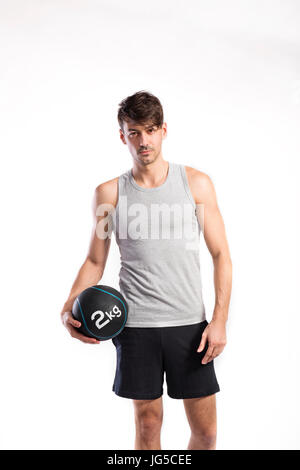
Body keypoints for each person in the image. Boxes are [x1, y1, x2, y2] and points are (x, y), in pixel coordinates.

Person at [60, 90, 232, 450]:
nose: (144, 141)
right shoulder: (110, 194)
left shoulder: (196, 184)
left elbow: (221, 255)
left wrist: (219, 321)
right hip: (136, 326)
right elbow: (95, 260)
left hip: (190, 326)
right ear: (122, 135)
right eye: (135, 132)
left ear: (164, 130)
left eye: (151, 130)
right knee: (148, 426)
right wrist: (68, 306)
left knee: (207, 432)